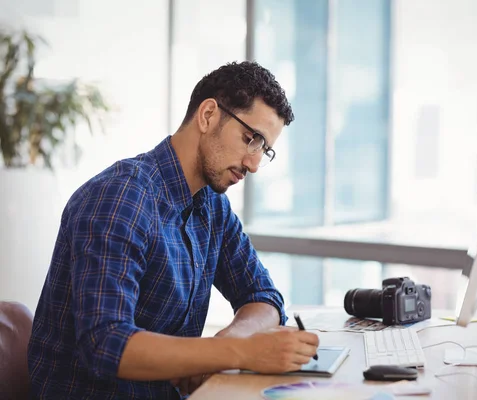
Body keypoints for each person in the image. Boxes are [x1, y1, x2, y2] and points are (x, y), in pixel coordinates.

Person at [27, 61, 319, 399]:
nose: (254, 164)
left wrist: (232, 341)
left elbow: (263, 296)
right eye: (250, 139)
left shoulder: (211, 205)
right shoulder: (121, 196)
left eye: (264, 150)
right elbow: (106, 343)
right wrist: (241, 353)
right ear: (208, 115)